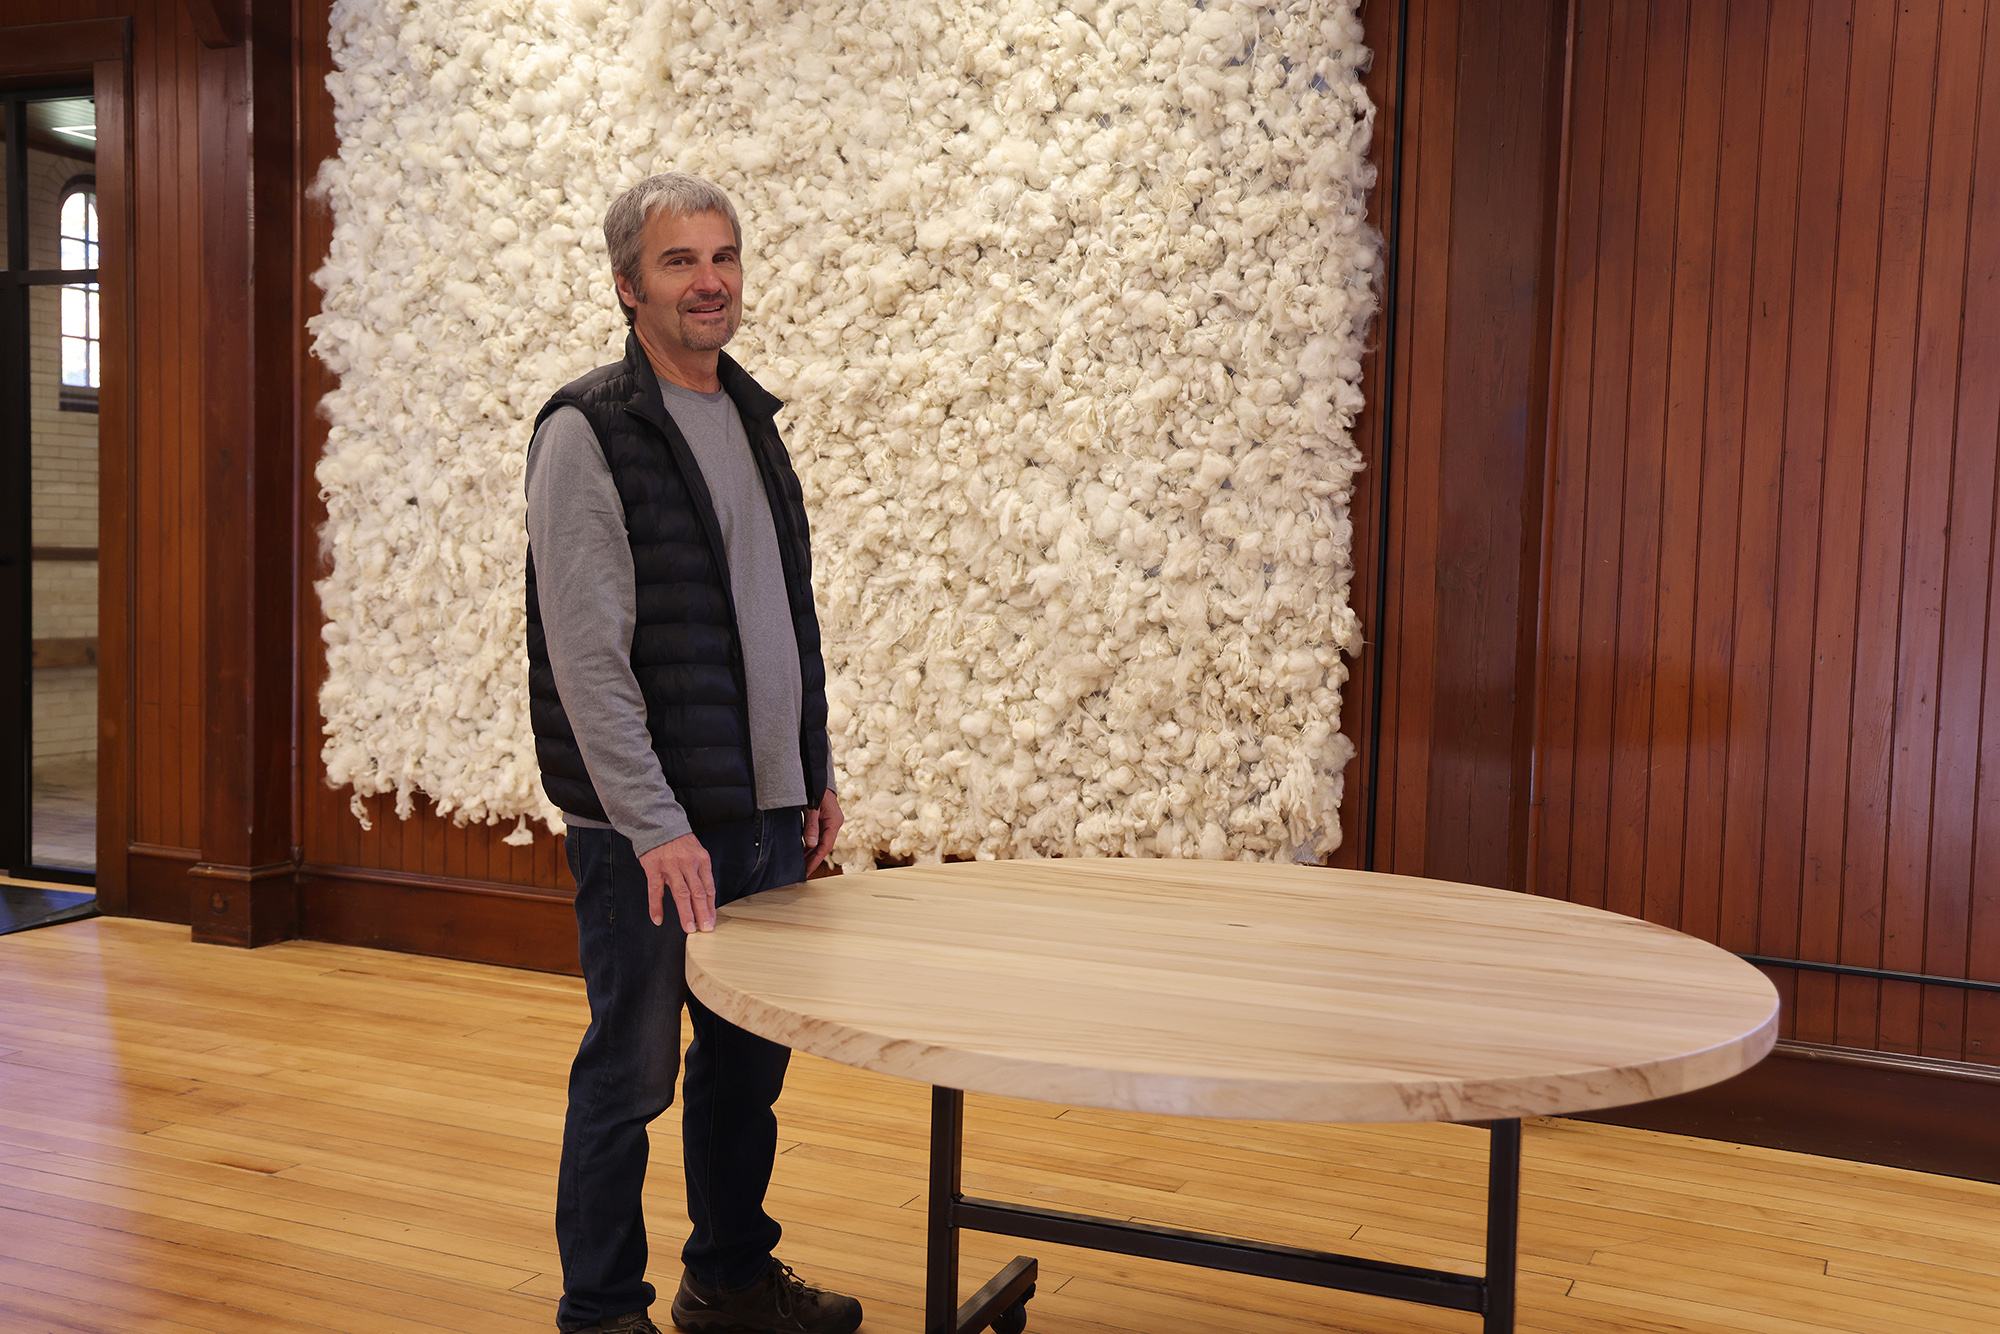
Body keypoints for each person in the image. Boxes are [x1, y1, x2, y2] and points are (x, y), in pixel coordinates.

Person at [524, 171, 860, 1334]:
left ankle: (728, 1277)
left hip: (761, 812)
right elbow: (589, 654)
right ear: (627, 285)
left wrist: (806, 767)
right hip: (650, 831)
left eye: (721, 256)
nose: (708, 279)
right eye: (678, 261)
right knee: (629, 1076)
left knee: (743, 1071)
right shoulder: (585, 430)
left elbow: (778, 616)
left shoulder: (752, 417)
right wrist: (653, 820)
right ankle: (602, 1309)